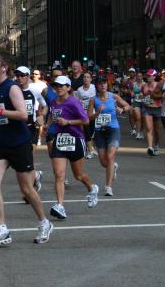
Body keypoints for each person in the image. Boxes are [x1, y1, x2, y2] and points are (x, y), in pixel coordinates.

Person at [0, 51, 53, 247]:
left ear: (4, 67)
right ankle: (2, 229)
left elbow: (23, 115)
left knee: (26, 189)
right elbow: (0, 114)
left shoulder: (12, 88)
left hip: (19, 143)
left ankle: (44, 222)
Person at [47, 75, 99, 220]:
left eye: (61, 85)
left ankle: (92, 188)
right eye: (56, 85)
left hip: (75, 140)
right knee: (59, 175)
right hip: (60, 140)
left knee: (78, 175)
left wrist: (68, 122)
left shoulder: (73, 102)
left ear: (68, 88)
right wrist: (47, 124)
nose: (58, 88)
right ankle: (60, 206)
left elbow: (86, 120)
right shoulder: (53, 102)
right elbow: (53, 116)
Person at [89, 77, 129, 196]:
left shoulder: (114, 97)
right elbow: (88, 117)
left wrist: (121, 110)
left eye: (104, 83)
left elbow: (128, 106)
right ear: (96, 86)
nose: (103, 86)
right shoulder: (93, 99)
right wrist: (97, 112)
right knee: (103, 161)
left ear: (107, 84)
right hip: (100, 130)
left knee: (110, 157)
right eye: (100, 84)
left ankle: (108, 187)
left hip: (113, 129)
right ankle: (113, 167)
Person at [75, 72, 97, 158]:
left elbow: (95, 99)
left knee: (92, 131)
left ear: (91, 79)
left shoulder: (93, 87)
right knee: (86, 131)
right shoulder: (79, 90)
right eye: (84, 77)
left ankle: (92, 148)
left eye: (88, 77)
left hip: (92, 113)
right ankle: (90, 150)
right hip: (83, 113)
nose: (86, 79)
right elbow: (77, 101)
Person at [142, 69, 164, 156]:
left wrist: (154, 95)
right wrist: (142, 97)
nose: (147, 77)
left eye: (149, 76)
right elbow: (143, 94)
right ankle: (150, 147)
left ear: (154, 77)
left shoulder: (158, 85)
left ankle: (156, 145)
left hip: (157, 108)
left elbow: (163, 96)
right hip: (147, 108)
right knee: (148, 128)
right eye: (147, 75)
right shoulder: (144, 85)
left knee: (157, 130)